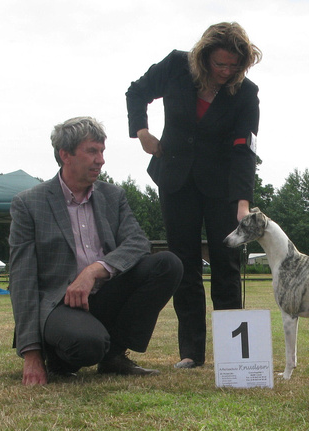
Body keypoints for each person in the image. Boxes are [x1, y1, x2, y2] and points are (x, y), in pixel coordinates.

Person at [126, 22, 262, 369]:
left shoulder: (246, 92)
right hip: (175, 181)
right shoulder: (175, 66)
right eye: (220, 65)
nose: (227, 72)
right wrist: (141, 132)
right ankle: (191, 353)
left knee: (226, 265)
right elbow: (136, 91)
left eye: (234, 66)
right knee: (183, 265)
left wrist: (242, 202)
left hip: (222, 189)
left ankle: (234, 357)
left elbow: (244, 149)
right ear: (204, 57)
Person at [9, 117, 183, 385]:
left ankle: (113, 356)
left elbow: (138, 243)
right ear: (65, 154)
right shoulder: (28, 204)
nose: (101, 160)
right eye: (92, 151)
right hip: (58, 304)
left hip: (104, 293)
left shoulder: (113, 196)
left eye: (102, 151)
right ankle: (57, 354)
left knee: (168, 264)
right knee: (88, 346)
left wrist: (94, 270)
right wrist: (31, 354)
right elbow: (22, 280)